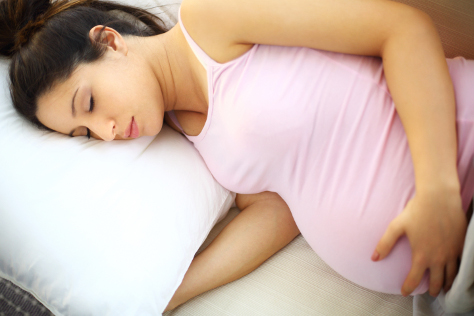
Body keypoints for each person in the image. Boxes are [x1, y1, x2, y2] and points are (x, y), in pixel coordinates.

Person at [1, 0, 472, 311]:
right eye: (85, 133)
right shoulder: (186, 135)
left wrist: (437, 191)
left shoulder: (213, 20)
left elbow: (399, 27)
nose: (106, 131)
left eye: (90, 103)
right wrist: (168, 295)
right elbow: (277, 210)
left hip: (460, 169)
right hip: (448, 271)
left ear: (109, 41)